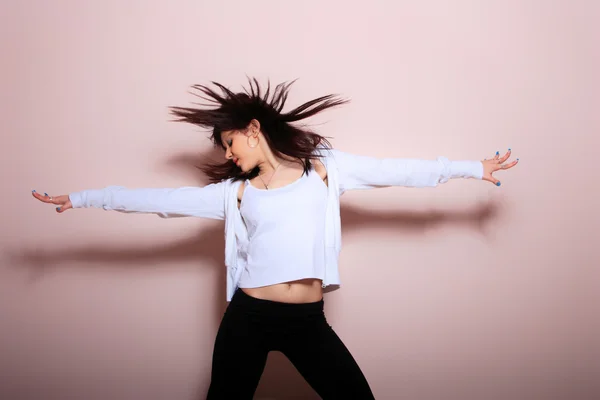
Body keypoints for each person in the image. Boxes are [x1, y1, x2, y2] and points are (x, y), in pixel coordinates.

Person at [32, 78, 518, 399]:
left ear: (253, 128)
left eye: (229, 142)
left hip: (307, 322)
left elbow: (396, 171)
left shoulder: (326, 168)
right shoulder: (235, 194)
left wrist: (471, 168)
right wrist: (83, 197)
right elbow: (162, 200)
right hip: (249, 318)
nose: (228, 154)